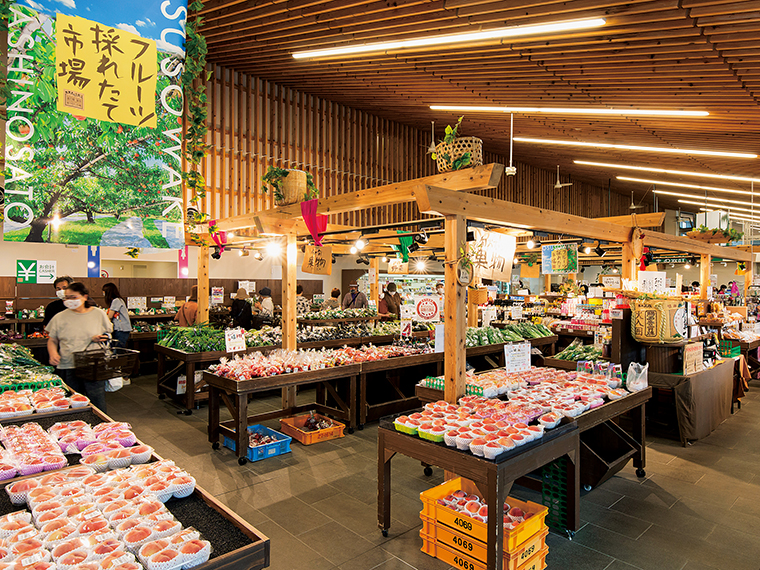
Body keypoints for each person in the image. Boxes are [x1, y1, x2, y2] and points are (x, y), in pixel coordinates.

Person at [46, 282, 113, 412]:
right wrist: (53, 353)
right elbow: (52, 340)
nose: (70, 301)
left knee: (97, 401)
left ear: (85, 297)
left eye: (74, 297)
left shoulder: (98, 314)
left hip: (93, 363)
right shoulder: (60, 317)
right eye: (67, 298)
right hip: (69, 364)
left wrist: (100, 337)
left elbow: (108, 334)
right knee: (73, 401)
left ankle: (102, 428)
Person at [102, 282, 132, 348]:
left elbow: (110, 316)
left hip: (121, 329)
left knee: (118, 349)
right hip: (122, 329)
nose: (103, 293)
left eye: (104, 292)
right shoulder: (118, 300)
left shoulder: (116, 301)